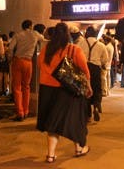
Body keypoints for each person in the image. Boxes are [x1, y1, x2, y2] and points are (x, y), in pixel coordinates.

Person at [36, 22, 92, 163]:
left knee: (52, 123)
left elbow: (40, 64)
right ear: (68, 35)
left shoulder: (46, 49)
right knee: (75, 119)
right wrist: (88, 87)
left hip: (47, 89)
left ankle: (50, 155)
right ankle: (79, 148)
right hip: (67, 90)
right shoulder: (74, 50)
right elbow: (85, 71)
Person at [8, 19, 44, 121]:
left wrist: (10, 58)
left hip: (18, 61)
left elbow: (10, 48)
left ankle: (20, 112)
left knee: (17, 87)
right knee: (26, 87)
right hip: (29, 62)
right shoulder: (35, 34)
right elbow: (43, 39)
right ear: (31, 26)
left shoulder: (18, 35)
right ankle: (26, 110)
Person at [76, 26, 108, 122]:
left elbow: (77, 55)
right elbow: (105, 59)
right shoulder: (101, 45)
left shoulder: (81, 43)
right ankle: (96, 107)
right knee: (97, 88)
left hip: (84, 67)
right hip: (95, 68)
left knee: (86, 89)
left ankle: (88, 115)